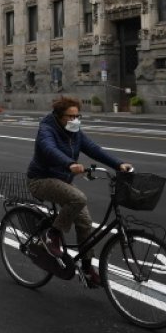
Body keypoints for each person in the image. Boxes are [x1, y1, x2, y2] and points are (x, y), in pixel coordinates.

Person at [27, 96, 133, 287]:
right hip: (40, 180)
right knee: (78, 198)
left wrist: (118, 164)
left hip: (62, 181)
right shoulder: (46, 130)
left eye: (78, 116)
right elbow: (49, 149)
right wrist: (70, 164)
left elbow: (93, 149)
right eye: (70, 116)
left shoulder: (74, 132)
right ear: (59, 116)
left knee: (85, 222)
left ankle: (86, 268)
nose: (75, 120)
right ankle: (52, 234)